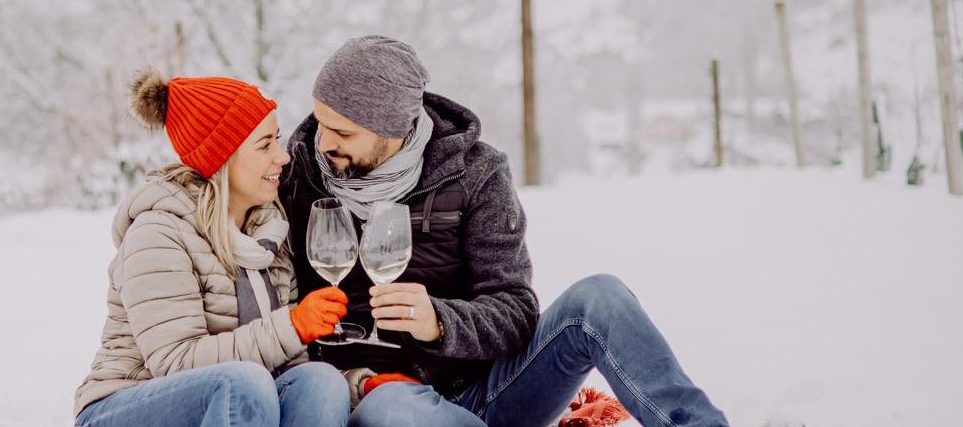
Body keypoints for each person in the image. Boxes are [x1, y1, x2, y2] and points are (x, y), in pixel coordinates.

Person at [277, 36, 728, 427]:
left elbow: (514, 311)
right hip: (365, 401)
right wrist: (350, 382)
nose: (324, 142)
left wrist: (440, 322)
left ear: (392, 129)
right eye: (320, 123)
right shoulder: (294, 175)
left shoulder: (476, 173)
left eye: (343, 132)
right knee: (393, 410)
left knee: (600, 297)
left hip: (479, 393)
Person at [75, 69, 354, 427]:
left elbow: (288, 362)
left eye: (278, 140)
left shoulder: (270, 231)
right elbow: (174, 362)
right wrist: (292, 326)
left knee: (320, 382)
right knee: (244, 383)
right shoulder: (159, 232)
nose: (283, 157)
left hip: (234, 402)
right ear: (222, 157)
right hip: (124, 406)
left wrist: (359, 385)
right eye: (264, 145)